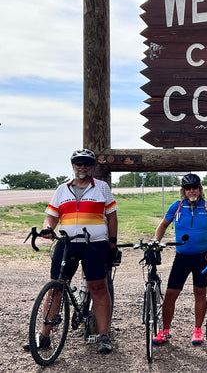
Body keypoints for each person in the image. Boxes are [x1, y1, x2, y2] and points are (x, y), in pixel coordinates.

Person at [40, 149, 118, 354]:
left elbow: (111, 216)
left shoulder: (102, 188)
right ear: (73, 165)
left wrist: (112, 242)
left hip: (95, 243)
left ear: (91, 167)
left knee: (98, 287)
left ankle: (104, 336)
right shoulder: (62, 189)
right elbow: (51, 215)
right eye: (78, 163)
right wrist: (48, 228)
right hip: (66, 243)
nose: (82, 167)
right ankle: (43, 336)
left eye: (86, 164)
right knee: (55, 286)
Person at [152, 173, 207, 345]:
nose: (191, 191)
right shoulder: (177, 206)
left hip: (202, 257)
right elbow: (163, 225)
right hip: (181, 257)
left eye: (194, 187)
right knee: (171, 294)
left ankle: (197, 330)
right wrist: (156, 242)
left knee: (200, 293)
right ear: (183, 190)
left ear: (200, 189)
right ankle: (165, 330)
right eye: (188, 188)